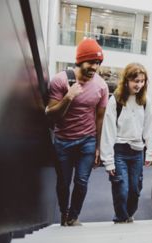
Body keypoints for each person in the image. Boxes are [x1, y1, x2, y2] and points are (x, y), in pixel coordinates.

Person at [46, 38, 109, 226]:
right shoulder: (60, 80)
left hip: (87, 141)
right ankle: (64, 213)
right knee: (64, 183)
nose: (95, 67)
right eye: (91, 62)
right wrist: (68, 97)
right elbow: (50, 114)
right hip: (63, 141)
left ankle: (74, 216)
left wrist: (98, 147)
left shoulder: (101, 86)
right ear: (80, 60)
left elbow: (100, 118)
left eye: (98, 63)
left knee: (82, 181)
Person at [100, 63, 152, 223]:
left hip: (137, 152)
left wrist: (150, 153)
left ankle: (128, 216)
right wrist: (108, 161)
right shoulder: (115, 100)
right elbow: (108, 131)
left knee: (135, 190)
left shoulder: (145, 101)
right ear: (126, 81)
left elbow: (149, 127)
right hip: (119, 151)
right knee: (121, 189)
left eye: (142, 81)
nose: (139, 85)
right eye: (135, 81)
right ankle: (121, 218)